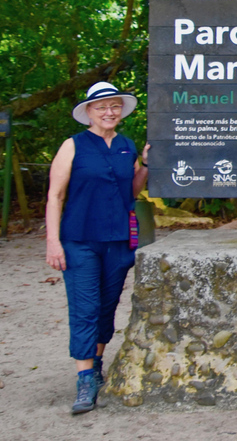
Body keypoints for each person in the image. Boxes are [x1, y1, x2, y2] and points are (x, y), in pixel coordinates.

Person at [45, 82, 150, 414]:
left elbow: (130, 191)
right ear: (88, 112)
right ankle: (85, 379)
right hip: (79, 241)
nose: (109, 112)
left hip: (119, 241)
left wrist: (145, 165)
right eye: (102, 107)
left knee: (107, 307)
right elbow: (55, 196)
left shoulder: (125, 145)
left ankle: (97, 364)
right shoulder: (72, 146)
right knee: (85, 308)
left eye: (115, 106)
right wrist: (53, 241)